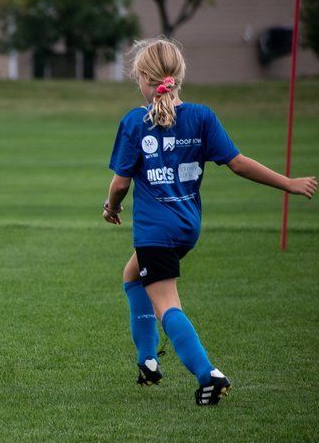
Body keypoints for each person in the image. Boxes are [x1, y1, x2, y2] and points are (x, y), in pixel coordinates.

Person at [103, 38, 317, 405]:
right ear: (179, 75)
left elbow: (121, 183)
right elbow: (237, 162)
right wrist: (288, 183)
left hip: (155, 232)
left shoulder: (134, 123)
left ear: (141, 77)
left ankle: (208, 374)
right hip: (187, 228)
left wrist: (111, 207)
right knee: (130, 275)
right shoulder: (202, 117)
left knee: (167, 305)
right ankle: (148, 360)